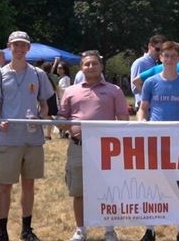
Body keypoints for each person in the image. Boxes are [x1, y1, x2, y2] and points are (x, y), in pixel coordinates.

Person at [0, 31, 55, 241]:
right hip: (9, 138)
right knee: (5, 185)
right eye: (15, 45)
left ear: (28, 48)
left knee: (29, 183)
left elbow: (44, 105)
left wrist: (40, 118)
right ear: (9, 47)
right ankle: (3, 231)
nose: (19, 49)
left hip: (32, 139)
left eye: (23, 45)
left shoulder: (38, 74)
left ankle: (26, 229)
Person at [58, 50, 128, 241]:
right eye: (86, 64)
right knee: (78, 190)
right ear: (81, 68)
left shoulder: (114, 90)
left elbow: (123, 118)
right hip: (78, 146)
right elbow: (62, 118)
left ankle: (109, 230)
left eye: (94, 64)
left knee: (108, 190)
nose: (90, 67)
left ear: (101, 67)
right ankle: (81, 230)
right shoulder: (71, 91)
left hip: (107, 149)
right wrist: (55, 122)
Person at [137, 42, 179, 241]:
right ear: (160, 58)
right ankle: (149, 229)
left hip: (178, 140)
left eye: (173, 56)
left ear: (178, 59)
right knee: (153, 184)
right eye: (166, 55)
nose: (169, 59)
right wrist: (141, 124)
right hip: (154, 138)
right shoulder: (150, 82)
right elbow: (143, 108)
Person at [129, 34, 166, 111]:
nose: (159, 53)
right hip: (144, 107)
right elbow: (134, 88)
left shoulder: (156, 64)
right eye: (157, 49)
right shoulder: (140, 63)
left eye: (162, 51)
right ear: (150, 46)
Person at [55, 61, 72, 138]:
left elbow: (66, 89)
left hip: (63, 100)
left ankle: (64, 133)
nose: (58, 69)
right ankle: (62, 133)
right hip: (59, 99)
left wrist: (58, 88)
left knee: (62, 117)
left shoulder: (65, 78)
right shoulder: (60, 78)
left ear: (64, 69)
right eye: (57, 68)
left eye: (60, 68)